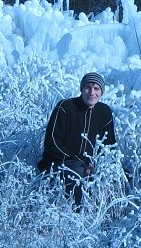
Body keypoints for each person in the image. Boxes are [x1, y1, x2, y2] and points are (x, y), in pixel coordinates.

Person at [37, 72, 117, 206]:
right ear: (81, 89)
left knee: (119, 173)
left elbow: (109, 144)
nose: (91, 92)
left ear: (101, 92)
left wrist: (100, 164)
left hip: (91, 165)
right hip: (60, 163)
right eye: (88, 87)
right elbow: (52, 141)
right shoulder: (66, 107)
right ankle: (76, 213)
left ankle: (108, 216)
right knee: (77, 170)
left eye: (96, 88)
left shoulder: (104, 112)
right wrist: (79, 160)